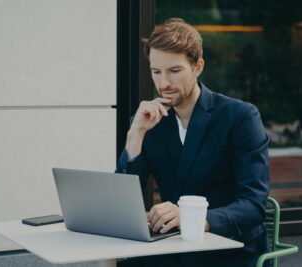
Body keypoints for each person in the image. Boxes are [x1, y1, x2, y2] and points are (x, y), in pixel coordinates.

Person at [116, 18, 270, 267]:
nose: (163, 83)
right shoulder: (149, 121)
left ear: (197, 67)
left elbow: (253, 205)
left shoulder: (240, 116)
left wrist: (192, 218)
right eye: (156, 72)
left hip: (228, 249)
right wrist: (135, 136)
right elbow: (121, 202)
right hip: (172, 246)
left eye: (174, 71)